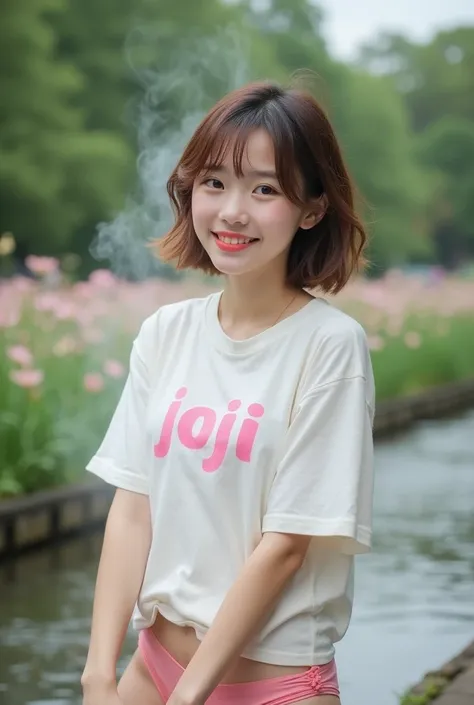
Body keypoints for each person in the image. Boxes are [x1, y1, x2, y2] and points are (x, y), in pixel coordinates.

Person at [81, 80, 375, 705]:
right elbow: (133, 510)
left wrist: (190, 698)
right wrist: (98, 674)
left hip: (273, 687)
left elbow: (287, 546)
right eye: (214, 183)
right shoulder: (167, 333)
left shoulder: (330, 347)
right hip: (151, 668)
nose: (232, 211)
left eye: (264, 189)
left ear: (313, 208)